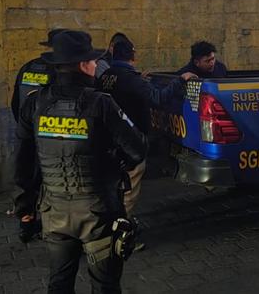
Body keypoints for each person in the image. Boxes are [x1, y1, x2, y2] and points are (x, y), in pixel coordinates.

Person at [14, 30, 148, 293]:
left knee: (59, 283)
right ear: (82, 65)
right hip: (98, 212)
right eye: (92, 60)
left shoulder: (34, 104)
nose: (96, 64)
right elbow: (137, 149)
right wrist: (113, 160)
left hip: (54, 213)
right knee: (105, 284)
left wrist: (24, 207)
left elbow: (23, 161)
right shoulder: (102, 103)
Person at [97, 38, 197, 227]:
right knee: (128, 189)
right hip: (130, 142)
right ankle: (121, 233)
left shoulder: (106, 76)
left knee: (113, 187)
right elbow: (158, 98)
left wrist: (140, 81)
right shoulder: (130, 79)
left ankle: (112, 222)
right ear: (133, 55)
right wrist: (180, 80)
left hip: (110, 140)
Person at [11, 28, 65, 243]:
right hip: (50, 135)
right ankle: (56, 226)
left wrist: (23, 126)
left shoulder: (27, 67)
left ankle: (26, 223)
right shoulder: (59, 72)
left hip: (27, 132)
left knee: (26, 179)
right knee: (53, 181)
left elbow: (16, 101)